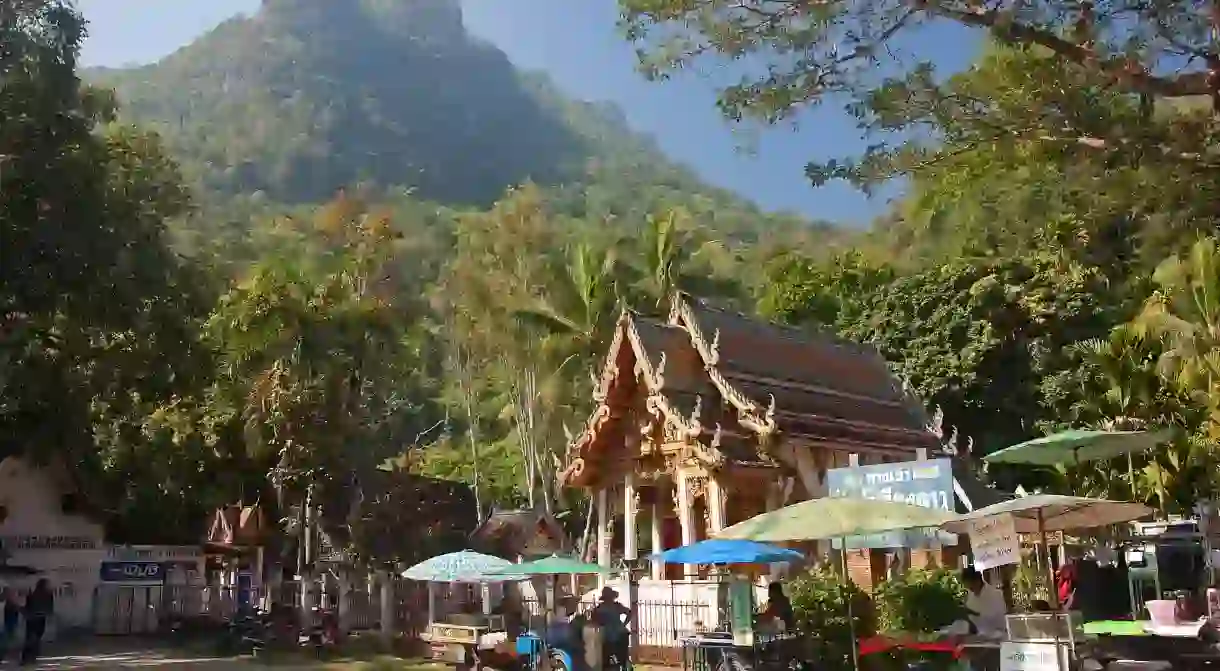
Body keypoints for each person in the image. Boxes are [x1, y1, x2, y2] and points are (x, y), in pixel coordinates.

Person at [961, 567, 1007, 637]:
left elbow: (1001, 621)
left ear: (977, 581)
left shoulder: (995, 594)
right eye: (967, 586)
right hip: (977, 638)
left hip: (995, 637)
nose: (969, 588)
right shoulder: (970, 597)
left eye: (971, 585)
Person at [20, 579, 52, 665]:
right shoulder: (47, 595)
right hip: (38, 619)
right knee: (35, 638)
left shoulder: (33, 595)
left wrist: (24, 613)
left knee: (32, 638)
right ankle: (30, 657)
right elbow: (49, 608)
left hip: (33, 619)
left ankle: (28, 658)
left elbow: (27, 607)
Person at [1, 586, 21, 662]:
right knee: (8, 639)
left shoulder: (11, 604)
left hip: (9, 625)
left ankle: (9, 654)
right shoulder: (8, 604)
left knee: (10, 638)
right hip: (6, 625)